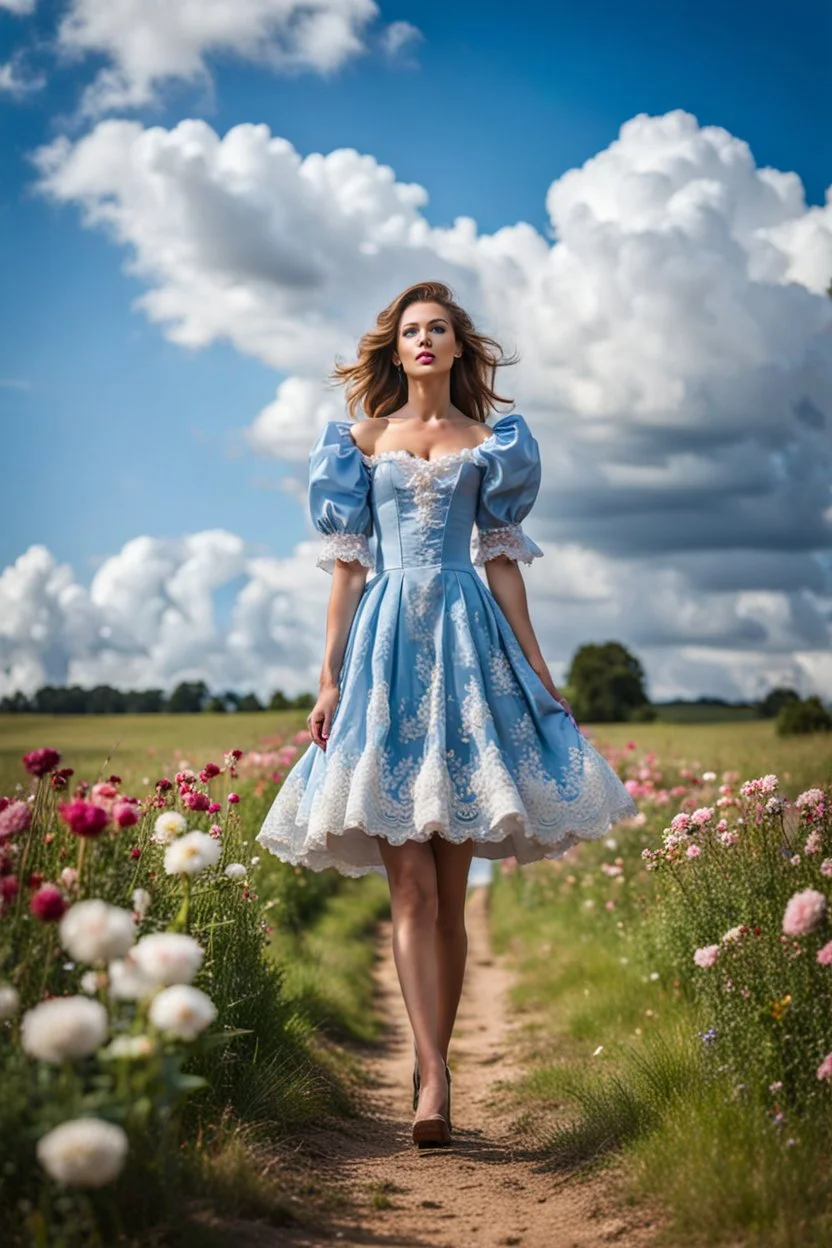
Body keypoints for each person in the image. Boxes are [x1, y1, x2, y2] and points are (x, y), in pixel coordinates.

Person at [256, 280, 638, 1148]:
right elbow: (348, 569)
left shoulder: (491, 443)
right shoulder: (357, 441)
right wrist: (328, 679)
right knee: (413, 889)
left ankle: (438, 1065)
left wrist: (539, 671)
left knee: (452, 893)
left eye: (439, 330)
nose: (424, 341)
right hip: (386, 652)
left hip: (468, 652)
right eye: (410, 331)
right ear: (394, 350)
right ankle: (432, 1077)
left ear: (460, 349)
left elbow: (504, 564)